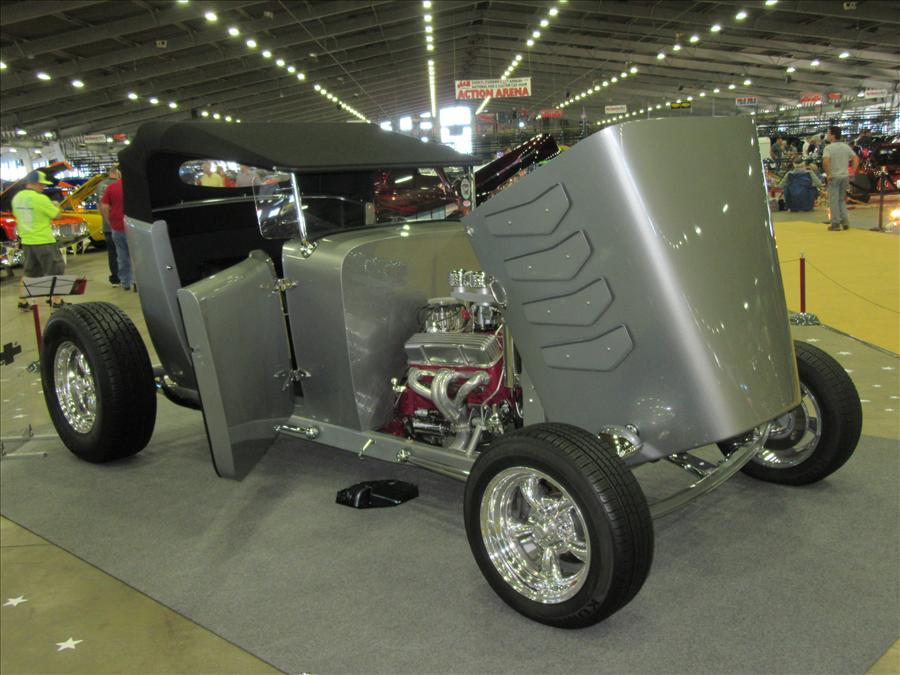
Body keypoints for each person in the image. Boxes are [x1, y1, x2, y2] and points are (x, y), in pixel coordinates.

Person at [12, 170, 65, 309]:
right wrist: (56, 205)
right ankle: (57, 301)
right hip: (44, 241)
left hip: (27, 242)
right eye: (42, 184)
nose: (43, 187)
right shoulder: (40, 199)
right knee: (56, 271)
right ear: (35, 184)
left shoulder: (17, 198)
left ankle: (22, 301)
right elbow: (57, 215)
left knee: (30, 273)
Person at [99, 173, 134, 290]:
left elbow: (104, 206)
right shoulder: (136, 186)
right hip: (134, 226)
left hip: (117, 226)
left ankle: (126, 282)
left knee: (122, 255)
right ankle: (138, 283)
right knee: (138, 256)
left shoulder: (111, 187)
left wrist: (109, 221)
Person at [822, 126, 859, 231]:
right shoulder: (846, 146)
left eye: (828, 133)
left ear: (833, 135)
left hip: (834, 176)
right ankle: (845, 221)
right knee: (841, 200)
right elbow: (856, 158)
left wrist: (828, 174)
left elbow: (826, 161)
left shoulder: (828, 148)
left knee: (833, 200)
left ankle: (835, 223)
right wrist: (853, 172)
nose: (827, 135)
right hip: (845, 176)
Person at [96, 165, 120, 285]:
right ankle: (128, 278)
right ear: (117, 172)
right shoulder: (119, 185)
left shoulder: (100, 185)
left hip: (107, 226)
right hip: (119, 225)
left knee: (112, 253)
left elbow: (99, 207)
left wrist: (107, 221)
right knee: (125, 252)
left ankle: (115, 278)